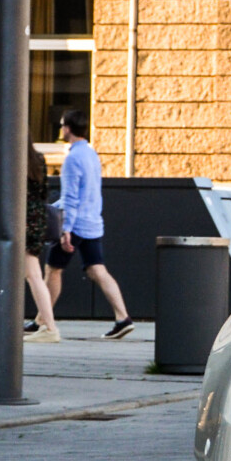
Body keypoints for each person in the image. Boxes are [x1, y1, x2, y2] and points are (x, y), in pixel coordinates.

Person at [0, 147, 61, 342]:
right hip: (35, 218)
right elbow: (43, 191)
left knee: (32, 275)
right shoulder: (37, 159)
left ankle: (50, 328)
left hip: (18, 219)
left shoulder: (8, 157)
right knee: (16, 273)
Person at [58, 109, 134, 339]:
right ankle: (123, 318)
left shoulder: (72, 159)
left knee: (51, 270)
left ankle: (43, 322)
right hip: (92, 222)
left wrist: (65, 229)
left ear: (69, 128)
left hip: (76, 224)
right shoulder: (91, 154)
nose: (61, 128)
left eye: (62, 125)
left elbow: (71, 197)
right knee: (97, 270)